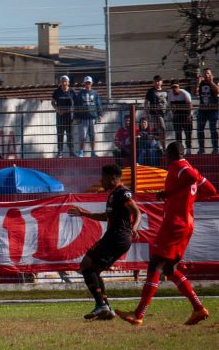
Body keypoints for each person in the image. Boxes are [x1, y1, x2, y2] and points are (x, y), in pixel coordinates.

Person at [116, 142, 217, 326]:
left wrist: (172, 193)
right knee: (170, 269)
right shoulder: (186, 168)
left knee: (155, 264)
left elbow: (191, 176)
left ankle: (138, 314)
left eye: (167, 153)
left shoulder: (180, 167)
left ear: (172, 154)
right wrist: (179, 197)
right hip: (185, 223)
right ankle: (198, 308)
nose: (165, 157)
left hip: (175, 224)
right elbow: (211, 190)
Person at [67, 164, 141, 320]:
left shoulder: (123, 193)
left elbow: (137, 211)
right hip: (115, 237)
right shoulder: (113, 195)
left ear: (113, 178)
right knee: (94, 270)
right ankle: (105, 308)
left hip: (117, 237)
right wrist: (83, 213)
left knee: (86, 265)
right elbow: (105, 216)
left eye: (104, 177)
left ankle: (101, 305)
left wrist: (135, 227)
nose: (101, 181)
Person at [74, 76, 102, 157]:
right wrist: (76, 116)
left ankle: (93, 152)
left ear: (91, 83)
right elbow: (77, 105)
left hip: (93, 117)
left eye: (89, 83)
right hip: (83, 118)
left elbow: (98, 104)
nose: (88, 84)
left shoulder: (95, 93)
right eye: (86, 83)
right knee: (82, 136)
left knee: (93, 135)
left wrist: (100, 115)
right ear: (84, 83)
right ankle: (81, 152)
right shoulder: (80, 93)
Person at [51, 75, 76, 158]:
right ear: (60, 82)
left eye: (65, 81)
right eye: (62, 81)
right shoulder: (57, 91)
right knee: (60, 134)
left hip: (70, 117)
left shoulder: (72, 91)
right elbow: (53, 102)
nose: (64, 83)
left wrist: (72, 111)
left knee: (70, 135)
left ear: (68, 83)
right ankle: (60, 152)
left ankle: (72, 152)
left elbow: (76, 103)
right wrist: (58, 110)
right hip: (60, 116)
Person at [196, 67, 219, 154]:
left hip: (213, 110)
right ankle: (201, 148)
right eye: (205, 73)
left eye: (208, 73)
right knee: (199, 130)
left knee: (213, 129)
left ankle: (215, 148)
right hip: (202, 110)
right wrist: (198, 83)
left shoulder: (214, 82)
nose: (206, 75)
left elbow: (217, 91)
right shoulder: (201, 83)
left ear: (211, 74)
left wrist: (211, 82)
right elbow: (195, 92)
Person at [168, 82, 193, 154]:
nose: (174, 89)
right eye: (173, 87)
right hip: (177, 116)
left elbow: (190, 105)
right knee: (178, 133)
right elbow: (169, 104)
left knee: (188, 133)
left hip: (186, 115)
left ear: (179, 87)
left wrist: (189, 115)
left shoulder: (185, 93)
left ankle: (188, 148)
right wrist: (173, 113)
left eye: (176, 87)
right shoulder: (170, 94)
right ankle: (179, 149)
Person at [144, 75, 168, 148]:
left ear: (161, 82)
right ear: (153, 82)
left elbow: (168, 101)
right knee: (161, 128)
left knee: (160, 130)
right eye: (155, 81)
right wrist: (146, 113)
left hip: (164, 113)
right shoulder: (150, 91)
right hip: (154, 113)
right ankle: (163, 147)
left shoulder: (165, 91)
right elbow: (146, 103)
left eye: (158, 81)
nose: (157, 83)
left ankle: (159, 145)